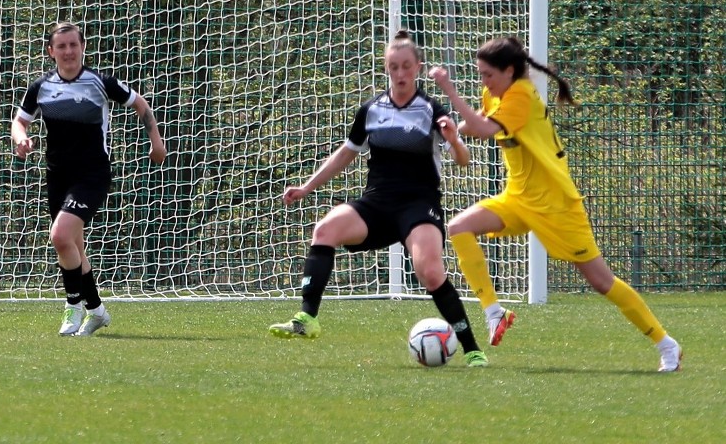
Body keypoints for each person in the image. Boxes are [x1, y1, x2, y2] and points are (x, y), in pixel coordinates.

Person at [429, 35, 682, 372]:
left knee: (601, 281)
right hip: (518, 198)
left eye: (488, 74)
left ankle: (667, 344)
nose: (483, 81)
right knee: (459, 227)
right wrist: (451, 131)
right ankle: (494, 311)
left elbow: (484, 129)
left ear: (509, 71)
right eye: (480, 74)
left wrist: (449, 91)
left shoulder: (521, 95)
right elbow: (477, 120)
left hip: (556, 205)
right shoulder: (495, 92)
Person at [269, 29, 491, 367]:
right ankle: (307, 319)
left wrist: (455, 140)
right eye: (393, 67)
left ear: (418, 67)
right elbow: (345, 154)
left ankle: (472, 348)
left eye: (405, 67)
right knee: (325, 230)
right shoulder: (371, 109)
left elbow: (463, 160)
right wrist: (306, 188)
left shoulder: (431, 110)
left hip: (418, 206)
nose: (399, 74)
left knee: (430, 273)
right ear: (386, 69)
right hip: (377, 204)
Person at [11, 21, 166, 337]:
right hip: (57, 176)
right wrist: (21, 138)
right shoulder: (40, 87)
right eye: (62, 46)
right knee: (72, 247)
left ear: (83, 47)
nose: (69, 51)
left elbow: (140, 104)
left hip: (92, 174)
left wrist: (157, 141)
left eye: (74, 45)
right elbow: (19, 121)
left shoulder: (100, 83)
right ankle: (96, 311)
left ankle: (73, 307)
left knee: (60, 236)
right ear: (51, 51)